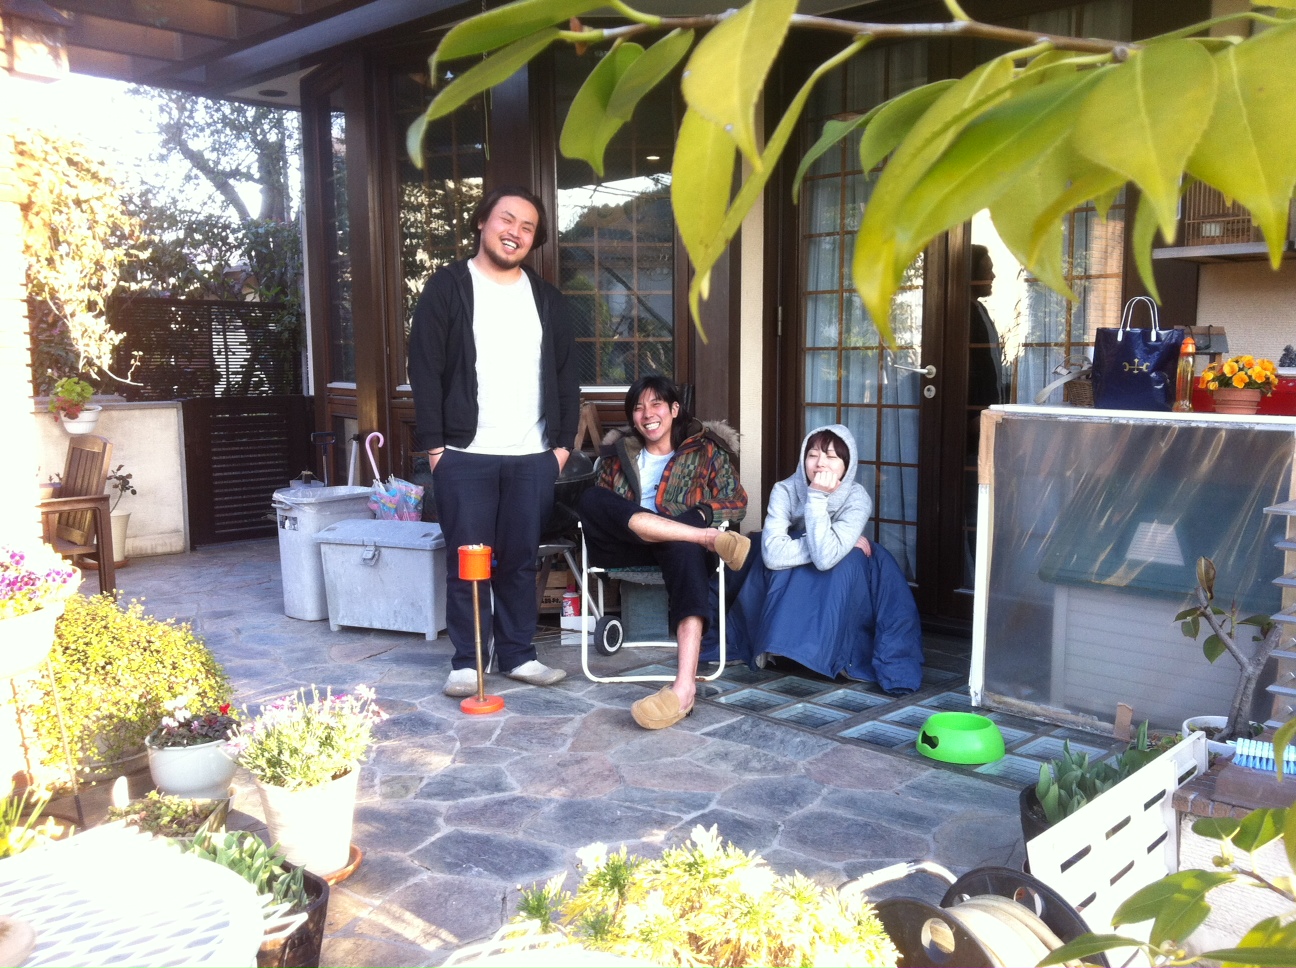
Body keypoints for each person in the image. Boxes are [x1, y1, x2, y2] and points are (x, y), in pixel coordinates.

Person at [407, 185, 580, 697]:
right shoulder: (448, 287)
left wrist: (561, 449)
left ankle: (519, 654)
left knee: (521, 561)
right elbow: (425, 370)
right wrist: (436, 449)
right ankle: (467, 662)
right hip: (465, 454)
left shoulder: (547, 299)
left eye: (527, 227)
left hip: (532, 455)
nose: (515, 232)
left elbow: (567, 377)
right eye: (507, 219)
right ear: (483, 221)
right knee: (468, 561)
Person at [579, 376, 750, 729]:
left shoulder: (706, 450)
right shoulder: (617, 455)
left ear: (674, 409)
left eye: (656, 404)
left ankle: (683, 690)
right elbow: (605, 509)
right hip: (627, 547)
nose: (647, 414)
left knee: (682, 546)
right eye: (638, 408)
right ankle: (704, 538)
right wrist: (702, 532)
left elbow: (737, 501)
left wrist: (700, 515)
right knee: (591, 498)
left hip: (679, 551)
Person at [713, 424, 923, 695]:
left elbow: (825, 560)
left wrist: (818, 505)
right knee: (769, 561)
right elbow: (775, 555)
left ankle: (828, 652)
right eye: (812, 455)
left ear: (847, 465)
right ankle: (775, 645)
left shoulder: (857, 498)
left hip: (832, 560)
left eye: (831, 456)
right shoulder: (785, 489)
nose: (820, 463)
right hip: (793, 557)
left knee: (850, 561)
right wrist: (829, 536)